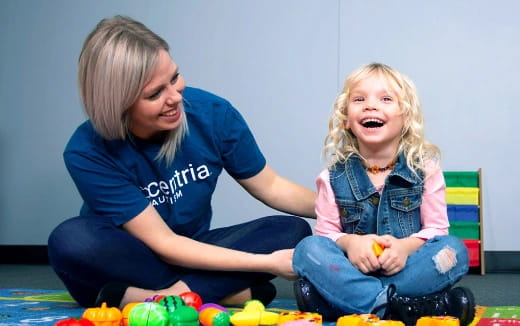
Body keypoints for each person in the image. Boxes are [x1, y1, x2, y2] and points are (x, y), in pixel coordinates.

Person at [47, 15, 315, 309]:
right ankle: (202, 292)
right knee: (71, 240)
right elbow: (164, 243)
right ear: (118, 102)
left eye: (174, 78)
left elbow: (272, 186)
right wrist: (265, 263)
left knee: (291, 231)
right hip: (133, 257)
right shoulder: (86, 151)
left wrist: (350, 205)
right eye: (155, 93)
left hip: (195, 246)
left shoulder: (213, 112)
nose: (175, 97)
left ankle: (140, 298)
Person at [291, 63, 475, 326]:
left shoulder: (425, 172)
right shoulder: (332, 177)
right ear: (346, 120)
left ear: (406, 118)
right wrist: (351, 244)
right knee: (306, 250)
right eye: (359, 99)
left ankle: (351, 303)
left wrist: (403, 247)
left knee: (454, 251)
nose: (370, 106)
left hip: (407, 270)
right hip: (352, 271)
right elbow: (326, 234)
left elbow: (436, 230)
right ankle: (406, 306)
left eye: (386, 99)